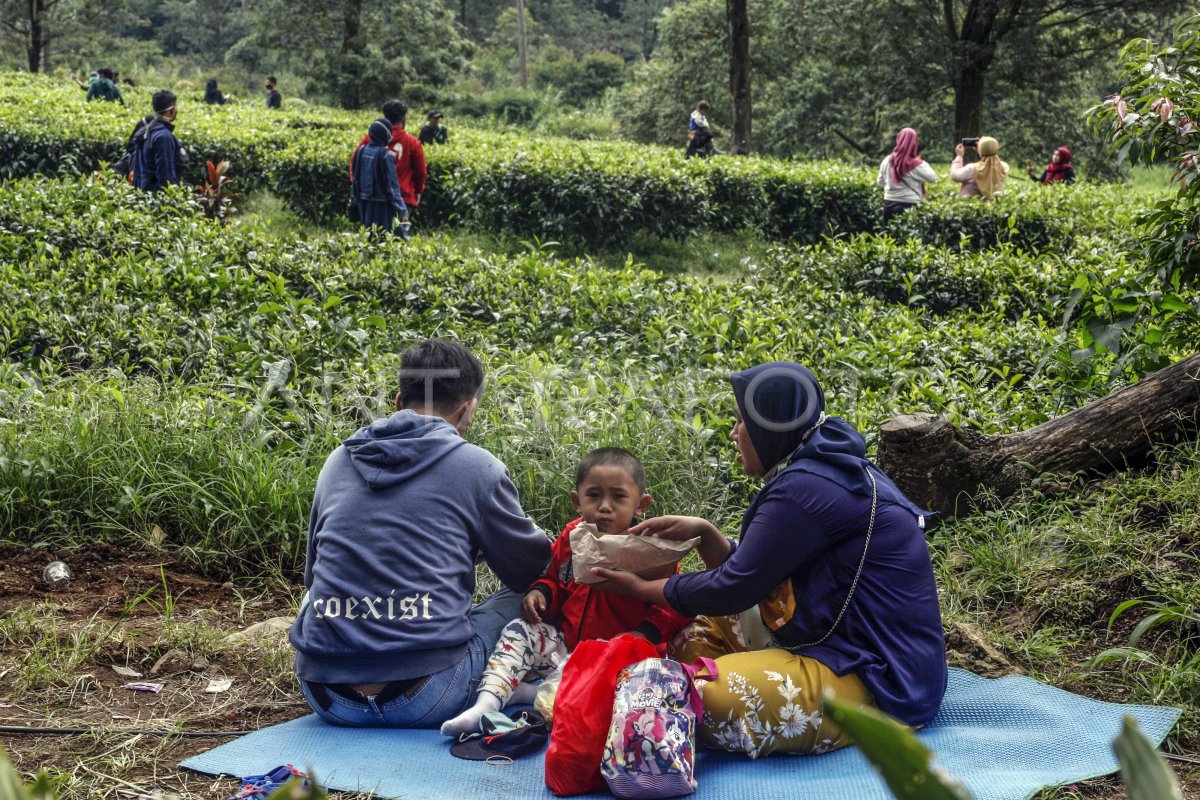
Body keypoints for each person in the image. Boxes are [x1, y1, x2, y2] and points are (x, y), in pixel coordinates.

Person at [590, 362, 946, 759]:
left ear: (769, 426)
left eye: (740, 421)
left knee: (698, 697)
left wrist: (639, 588)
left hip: (880, 678)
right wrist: (706, 534)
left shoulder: (806, 489)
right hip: (830, 640)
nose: (733, 433)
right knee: (688, 640)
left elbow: (734, 588)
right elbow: (755, 577)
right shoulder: (814, 472)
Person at [289, 339, 552, 728]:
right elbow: (531, 569)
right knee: (532, 596)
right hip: (428, 694)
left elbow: (314, 575)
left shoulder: (338, 460)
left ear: (398, 401)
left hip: (326, 696)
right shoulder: (479, 468)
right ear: (467, 411)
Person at [440, 447, 692, 736]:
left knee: (621, 687)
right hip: (565, 645)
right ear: (576, 500)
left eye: (618, 497)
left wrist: (646, 632)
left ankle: (531, 695)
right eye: (594, 495)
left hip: (616, 654)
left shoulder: (651, 551)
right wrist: (541, 594)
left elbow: (674, 600)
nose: (605, 506)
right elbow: (553, 579)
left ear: (641, 504)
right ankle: (485, 705)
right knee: (519, 631)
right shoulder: (573, 537)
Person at [351, 99, 428, 222]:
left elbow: (355, 165)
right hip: (403, 198)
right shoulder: (412, 143)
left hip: (372, 199)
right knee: (397, 238)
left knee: (373, 237)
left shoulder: (370, 139)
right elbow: (420, 172)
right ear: (403, 119)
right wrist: (418, 191)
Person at [351, 118, 410, 237]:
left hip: (363, 202)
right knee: (393, 239)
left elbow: (354, 177)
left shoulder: (361, 150)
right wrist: (403, 210)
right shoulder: (385, 155)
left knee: (369, 238)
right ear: (385, 134)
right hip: (382, 205)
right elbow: (392, 187)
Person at [877, 127, 939, 221]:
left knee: (888, 234)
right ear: (914, 143)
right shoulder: (916, 165)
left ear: (898, 140)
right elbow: (933, 178)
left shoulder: (886, 160)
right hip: (909, 205)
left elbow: (880, 182)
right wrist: (921, 161)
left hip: (888, 204)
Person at [131, 90, 185, 191]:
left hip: (144, 192)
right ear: (172, 110)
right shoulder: (164, 137)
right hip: (156, 197)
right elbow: (165, 176)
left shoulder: (146, 130)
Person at [951, 136, 1009, 200]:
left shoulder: (972, 169)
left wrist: (959, 156)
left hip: (970, 205)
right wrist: (980, 150)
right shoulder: (1004, 167)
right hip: (992, 206)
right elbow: (988, 160)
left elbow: (955, 176)